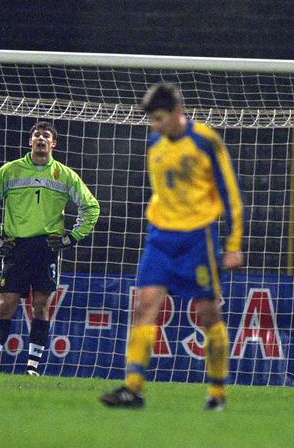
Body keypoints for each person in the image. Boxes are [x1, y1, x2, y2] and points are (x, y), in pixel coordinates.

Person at [100, 83, 244, 410]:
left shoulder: (206, 141)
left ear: (178, 113)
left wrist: (233, 243)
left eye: (159, 118)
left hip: (196, 239)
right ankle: (133, 388)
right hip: (161, 238)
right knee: (143, 307)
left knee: (207, 313)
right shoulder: (155, 145)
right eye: (152, 120)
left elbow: (230, 194)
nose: (155, 125)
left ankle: (218, 393)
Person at [0, 120, 100, 376]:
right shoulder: (10, 171)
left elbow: (91, 207)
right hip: (16, 246)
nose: (40, 139)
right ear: (30, 141)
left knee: (41, 304)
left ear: (53, 143)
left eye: (45, 136)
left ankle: (32, 367)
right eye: (36, 135)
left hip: (46, 247)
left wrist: (72, 237)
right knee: (7, 302)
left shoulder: (65, 175)